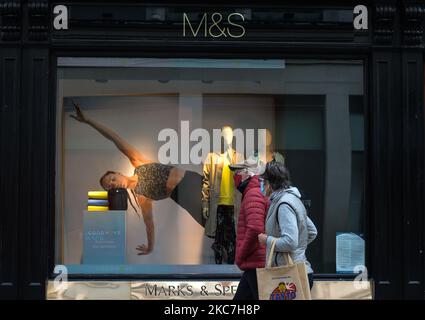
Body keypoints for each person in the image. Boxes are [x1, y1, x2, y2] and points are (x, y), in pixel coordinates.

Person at [70, 101, 203, 255]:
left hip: (191, 181)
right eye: (109, 187)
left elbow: (115, 138)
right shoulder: (141, 197)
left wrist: (88, 121)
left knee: (223, 200)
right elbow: (149, 224)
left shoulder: (138, 162)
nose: (112, 184)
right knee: (214, 223)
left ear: (118, 173)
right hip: (184, 198)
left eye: (112, 179)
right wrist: (150, 247)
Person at [258, 161, 317, 290]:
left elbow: (290, 242)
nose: (261, 185)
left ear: (269, 183)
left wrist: (266, 240)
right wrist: (299, 251)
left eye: (262, 181)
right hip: (299, 272)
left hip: (290, 276)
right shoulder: (293, 199)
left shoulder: (283, 204)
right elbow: (312, 231)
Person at [230, 157, 269, 300]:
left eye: (238, 172)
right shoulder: (254, 192)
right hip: (255, 263)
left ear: (249, 173)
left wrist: (240, 255)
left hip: (255, 264)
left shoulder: (253, 193)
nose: (236, 176)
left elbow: (254, 229)